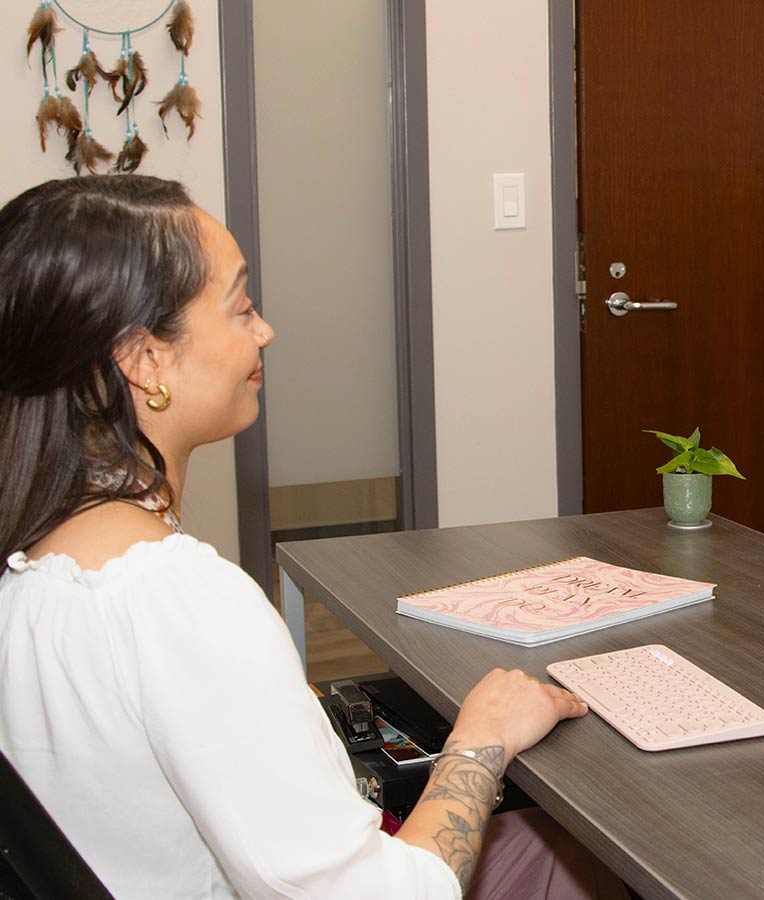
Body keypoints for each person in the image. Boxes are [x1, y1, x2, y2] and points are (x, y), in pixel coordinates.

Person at [0, 176, 627, 900]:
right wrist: (481, 741)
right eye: (240, 308)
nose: (264, 331)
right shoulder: (179, 600)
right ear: (146, 361)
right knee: (583, 853)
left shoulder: (36, 563)